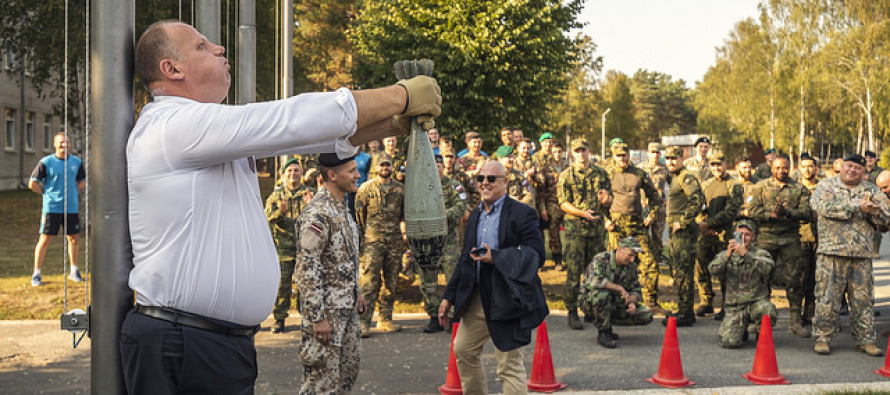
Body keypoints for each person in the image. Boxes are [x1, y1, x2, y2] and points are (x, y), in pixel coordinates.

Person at [122, 20, 440, 394]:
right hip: (185, 342)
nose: (220, 49)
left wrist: (393, 124)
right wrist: (400, 95)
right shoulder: (174, 124)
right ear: (171, 69)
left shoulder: (203, 132)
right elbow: (290, 120)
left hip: (208, 342)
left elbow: (317, 141)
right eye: (202, 47)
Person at [437, 160, 548, 395]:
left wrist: (496, 257)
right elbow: (465, 260)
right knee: (464, 351)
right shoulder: (475, 216)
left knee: (508, 366)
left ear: (505, 182)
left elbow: (537, 256)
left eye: (491, 179)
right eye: (480, 179)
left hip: (509, 298)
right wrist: (448, 296)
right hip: (477, 297)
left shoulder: (522, 213)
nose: (484, 183)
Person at [295, 153, 369, 393]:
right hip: (326, 316)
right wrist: (317, 317)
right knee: (320, 384)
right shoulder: (318, 213)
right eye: (351, 171)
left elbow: (343, 259)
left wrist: (356, 292)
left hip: (346, 312)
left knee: (345, 378)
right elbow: (307, 267)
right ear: (332, 175)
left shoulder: (342, 207)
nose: (358, 175)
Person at [811, 154, 890, 356]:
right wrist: (858, 207)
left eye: (857, 168)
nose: (852, 170)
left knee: (863, 300)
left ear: (863, 172)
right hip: (832, 253)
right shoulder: (826, 186)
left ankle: (866, 340)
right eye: (849, 166)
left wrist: (874, 212)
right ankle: (822, 338)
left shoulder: (871, 190)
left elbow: (886, 216)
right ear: (842, 167)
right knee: (827, 298)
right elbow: (822, 207)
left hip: (861, 255)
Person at [748, 154, 812, 338]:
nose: (781, 171)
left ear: (790, 167)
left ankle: (795, 321)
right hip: (766, 238)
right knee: (761, 278)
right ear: (771, 168)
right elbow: (751, 209)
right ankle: (761, 320)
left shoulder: (799, 188)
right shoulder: (760, 186)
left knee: (795, 280)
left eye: (784, 167)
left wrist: (789, 213)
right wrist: (771, 215)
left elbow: (807, 212)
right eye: (777, 168)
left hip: (790, 239)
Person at [603, 144, 664, 315]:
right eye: (618, 155)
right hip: (617, 225)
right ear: (614, 156)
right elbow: (595, 200)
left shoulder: (639, 174)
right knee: (613, 264)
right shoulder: (607, 174)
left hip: (637, 224)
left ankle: (650, 302)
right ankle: (613, 303)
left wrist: (651, 214)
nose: (622, 158)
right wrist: (605, 220)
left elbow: (654, 197)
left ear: (629, 155)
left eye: (624, 155)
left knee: (650, 262)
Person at [558, 138, 612, 329]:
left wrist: (606, 201)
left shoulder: (601, 174)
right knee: (574, 272)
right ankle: (572, 311)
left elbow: (609, 199)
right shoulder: (567, 175)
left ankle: (591, 309)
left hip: (596, 231)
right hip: (576, 231)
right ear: (573, 153)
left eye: (584, 150)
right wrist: (582, 214)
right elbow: (563, 203)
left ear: (589, 151)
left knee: (595, 271)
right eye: (577, 150)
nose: (581, 154)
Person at [355, 153, 406, 336]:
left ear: (392, 167)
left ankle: (386, 319)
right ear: (376, 167)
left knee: (391, 283)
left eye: (388, 165)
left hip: (394, 242)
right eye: (382, 165)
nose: (385, 168)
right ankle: (363, 322)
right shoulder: (365, 189)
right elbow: (360, 216)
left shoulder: (400, 189)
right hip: (373, 243)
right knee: (369, 284)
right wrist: (366, 237)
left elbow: (404, 214)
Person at [265, 158, 315, 333]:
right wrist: (281, 212)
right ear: (284, 174)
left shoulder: (310, 193)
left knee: (306, 284)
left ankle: (307, 319)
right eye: (290, 171)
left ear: (301, 174)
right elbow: (267, 218)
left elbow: (321, 219)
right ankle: (279, 319)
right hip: (283, 247)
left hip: (305, 248)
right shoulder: (276, 196)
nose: (293, 174)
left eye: (296, 171)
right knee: (282, 285)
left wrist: (311, 207)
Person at [708, 220, 777, 348]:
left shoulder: (760, 254)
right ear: (734, 235)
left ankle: (761, 332)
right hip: (735, 306)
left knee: (768, 310)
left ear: (754, 237)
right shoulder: (725, 254)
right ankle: (741, 329)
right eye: (740, 234)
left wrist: (746, 255)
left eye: (747, 235)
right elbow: (713, 270)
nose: (744, 238)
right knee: (729, 342)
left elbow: (768, 269)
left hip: (756, 302)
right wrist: (727, 257)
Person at [419, 152, 468, 333]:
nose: (435, 170)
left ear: (442, 167)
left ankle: (454, 315)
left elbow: (459, 209)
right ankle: (433, 316)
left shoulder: (455, 187)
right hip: (427, 242)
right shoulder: (421, 188)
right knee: (428, 281)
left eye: (437, 166)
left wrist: (437, 216)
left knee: (453, 279)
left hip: (448, 242)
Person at [29, 133, 86, 286]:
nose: (64, 145)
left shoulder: (76, 162)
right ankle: (37, 274)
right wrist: (45, 194)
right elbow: (32, 183)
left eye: (67, 142)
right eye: (61, 143)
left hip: (71, 208)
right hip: (52, 208)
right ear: (55, 144)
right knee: (44, 240)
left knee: (73, 239)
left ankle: (74, 271)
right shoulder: (46, 162)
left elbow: (82, 181)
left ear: (70, 144)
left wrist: (73, 191)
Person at [579, 237, 653, 348]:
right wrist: (620, 289)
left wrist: (631, 301)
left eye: (634, 256)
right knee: (602, 295)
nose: (632, 259)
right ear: (620, 249)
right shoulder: (601, 259)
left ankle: (605, 320)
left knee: (646, 314)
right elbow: (596, 282)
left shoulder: (631, 267)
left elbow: (636, 290)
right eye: (630, 255)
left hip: (616, 302)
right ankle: (603, 332)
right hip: (591, 301)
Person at [695, 154, 743, 318]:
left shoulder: (734, 185)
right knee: (701, 266)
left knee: (726, 270)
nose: (716, 168)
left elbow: (730, 212)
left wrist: (709, 224)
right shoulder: (706, 184)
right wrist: (702, 224)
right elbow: (700, 207)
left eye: (719, 164)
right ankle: (706, 301)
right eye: (713, 165)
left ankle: (726, 306)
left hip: (726, 234)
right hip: (706, 233)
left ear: (725, 164)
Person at [663, 146, 704, 327]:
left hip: (684, 233)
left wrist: (683, 221)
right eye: (668, 158)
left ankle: (686, 313)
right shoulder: (675, 177)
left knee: (684, 272)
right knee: (677, 271)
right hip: (676, 233)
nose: (671, 162)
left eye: (674, 158)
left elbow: (697, 200)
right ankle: (683, 308)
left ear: (681, 159)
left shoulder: (686, 177)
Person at [797, 154, 821, 325]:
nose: (807, 169)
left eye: (811, 166)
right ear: (799, 168)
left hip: (821, 239)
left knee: (817, 278)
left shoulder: (824, 188)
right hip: (800, 238)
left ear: (816, 169)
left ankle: (811, 311)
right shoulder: (794, 188)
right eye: (804, 166)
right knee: (800, 277)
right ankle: (795, 314)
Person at [639, 142, 668, 272]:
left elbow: (674, 185)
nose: (655, 155)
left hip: (659, 210)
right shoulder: (640, 168)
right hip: (643, 207)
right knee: (642, 238)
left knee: (657, 238)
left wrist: (668, 198)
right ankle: (642, 265)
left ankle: (655, 265)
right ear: (648, 153)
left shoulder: (664, 169)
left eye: (657, 152)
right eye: (652, 152)